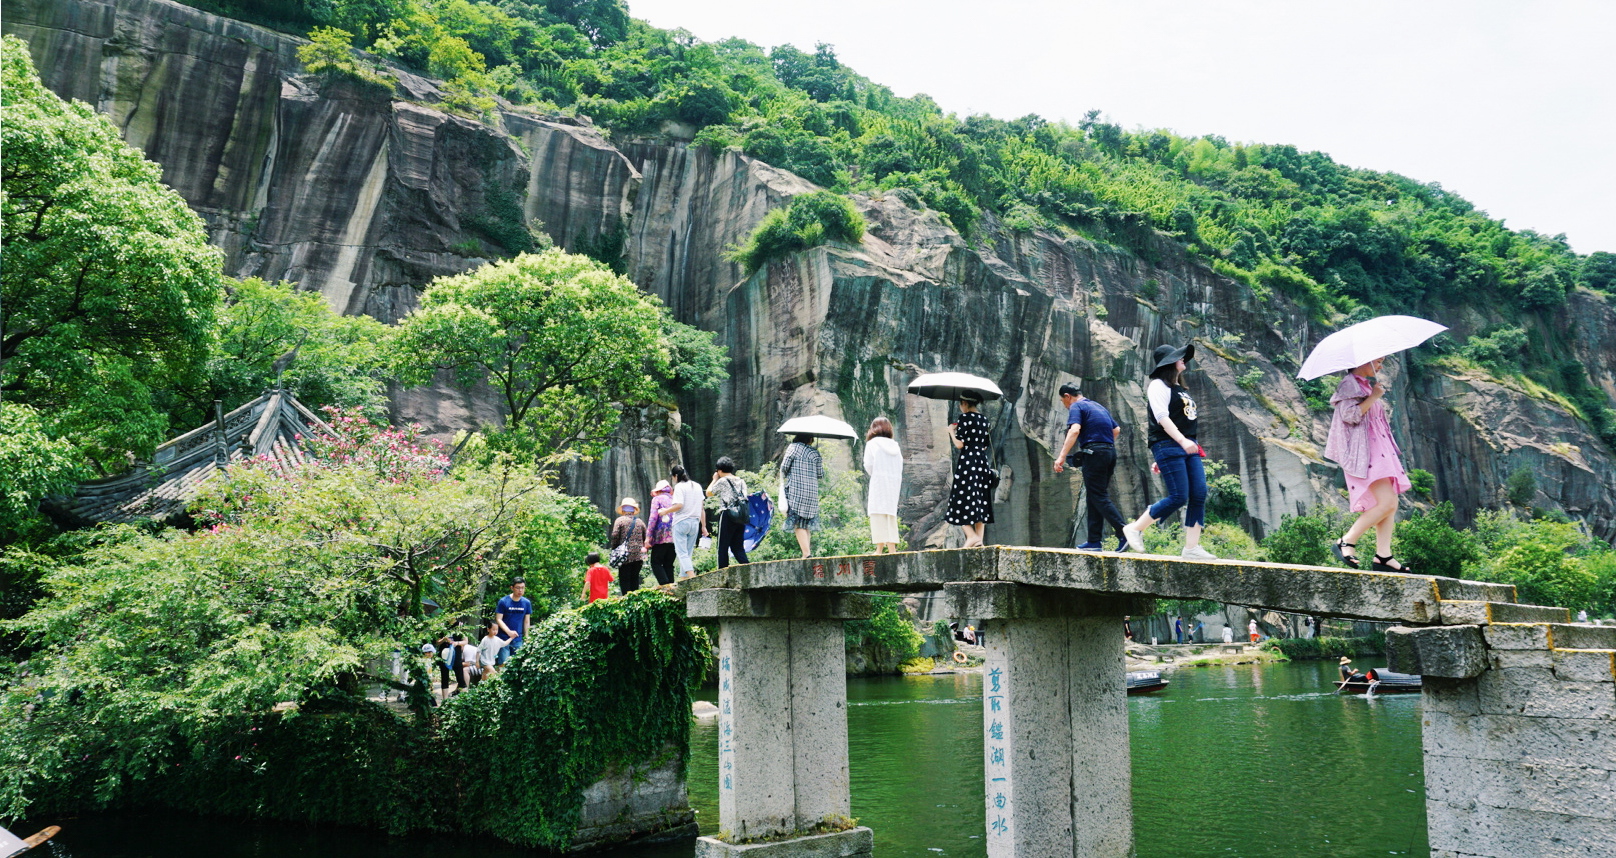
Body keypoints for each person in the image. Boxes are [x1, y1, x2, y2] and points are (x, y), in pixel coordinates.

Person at [1121, 344, 1217, 560]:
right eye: (1180, 357)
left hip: (1186, 446)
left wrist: (1183, 444)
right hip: (1171, 444)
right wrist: (1180, 442)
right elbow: (1162, 418)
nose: (1184, 360)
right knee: (1179, 496)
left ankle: (1192, 548)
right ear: (1169, 362)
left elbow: (1184, 420)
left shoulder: (1179, 389)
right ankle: (1135, 528)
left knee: (1199, 493)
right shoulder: (1157, 386)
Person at [1324, 356, 1415, 572]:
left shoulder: (1364, 385)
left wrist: (1374, 394)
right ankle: (1346, 541)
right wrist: (1374, 397)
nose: (1381, 365)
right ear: (1365, 361)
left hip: (1379, 450)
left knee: (1389, 503)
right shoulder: (1349, 384)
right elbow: (1350, 416)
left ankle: (1383, 555)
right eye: (1378, 361)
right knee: (1386, 503)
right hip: (1367, 453)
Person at [1052, 382, 1127, 552]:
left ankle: (1125, 532)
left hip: (1095, 454)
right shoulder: (1097, 406)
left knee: (1098, 495)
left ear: (1067, 396)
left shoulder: (1076, 406)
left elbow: (1074, 430)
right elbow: (1116, 430)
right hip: (1109, 453)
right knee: (1095, 496)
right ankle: (1094, 541)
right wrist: (1103, 445)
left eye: (1063, 402)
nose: (1064, 405)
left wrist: (1061, 457)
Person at [945, 391, 994, 547]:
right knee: (980, 498)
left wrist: (951, 432)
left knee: (960, 497)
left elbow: (960, 444)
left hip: (968, 462)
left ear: (965, 403)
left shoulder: (964, 418)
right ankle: (979, 540)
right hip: (982, 462)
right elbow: (985, 444)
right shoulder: (984, 420)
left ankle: (971, 535)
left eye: (961, 404)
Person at [863, 417, 904, 554]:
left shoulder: (872, 444)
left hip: (879, 482)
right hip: (893, 483)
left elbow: (868, 465)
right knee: (890, 514)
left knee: (877, 513)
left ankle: (879, 549)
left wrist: (876, 474)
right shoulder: (895, 445)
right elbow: (900, 465)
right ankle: (892, 549)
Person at [781, 434, 825, 558]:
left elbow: (784, 467)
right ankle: (807, 553)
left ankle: (806, 554)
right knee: (806, 523)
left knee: (797, 523)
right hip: (811, 493)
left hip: (796, 491)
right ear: (809, 439)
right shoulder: (815, 453)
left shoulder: (793, 448)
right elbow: (821, 474)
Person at [706, 457, 751, 568]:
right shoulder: (741, 481)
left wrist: (714, 479)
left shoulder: (722, 481)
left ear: (719, 470)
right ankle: (749, 569)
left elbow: (709, 493)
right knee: (738, 547)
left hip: (728, 514)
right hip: (741, 515)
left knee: (722, 546)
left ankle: (722, 572)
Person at [667, 465, 708, 579]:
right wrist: (703, 526)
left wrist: (665, 511)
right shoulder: (697, 486)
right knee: (687, 553)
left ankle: (692, 577)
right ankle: (684, 579)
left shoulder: (679, 487)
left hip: (681, 522)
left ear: (675, 476)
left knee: (682, 553)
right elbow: (701, 508)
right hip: (695, 523)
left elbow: (679, 505)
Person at [608, 497, 648, 595]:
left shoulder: (620, 520)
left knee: (624, 578)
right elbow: (645, 537)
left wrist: (615, 549)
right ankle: (635, 600)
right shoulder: (640, 522)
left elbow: (614, 535)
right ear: (634, 510)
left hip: (625, 555)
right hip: (638, 556)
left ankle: (627, 600)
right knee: (635, 578)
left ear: (623, 510)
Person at [646, 480, 677, 586]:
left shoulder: (657, 499)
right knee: (669, 564)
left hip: (661, 537)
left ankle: (665, 587)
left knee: (656, 563)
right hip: (675, 537)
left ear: (658, 490)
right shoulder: (675, 499)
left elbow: (653, 518)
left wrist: (648, 537)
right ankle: (672, 588)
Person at [494, 579, 532, 666]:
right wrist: (509, 632)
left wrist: (527, 637)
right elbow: (498, 619)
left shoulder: (526, 603)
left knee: (517, 665)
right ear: (512, 588)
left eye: (522, 588)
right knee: (503, 664)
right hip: (503, 638)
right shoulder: (503, 601)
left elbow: (527, 621)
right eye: (518, 588)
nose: (520, 590)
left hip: (518, 639)